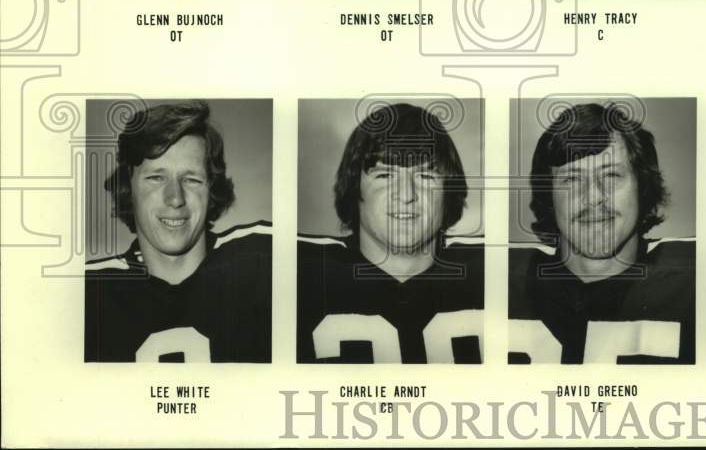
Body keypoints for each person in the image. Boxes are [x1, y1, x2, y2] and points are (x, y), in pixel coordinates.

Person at [85, 100, 272, 362]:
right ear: (129, 187)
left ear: (211, 189)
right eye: (156, 177)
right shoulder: (89, 292)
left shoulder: (263, 260)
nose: (175, 198)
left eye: (191, 179)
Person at [508, 102, 695, 363]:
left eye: (611, 176)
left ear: (643, 188)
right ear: (548, 196)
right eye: (572, 179)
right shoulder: (502, 280)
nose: (594, 196)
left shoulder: (699, 280)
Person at [297, 103, 483, 362]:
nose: (406, 195)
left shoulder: (489, 276)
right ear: (353, 189)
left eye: (426, 177)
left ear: (448, 193)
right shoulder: (301, 278)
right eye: (385, 175)